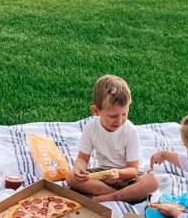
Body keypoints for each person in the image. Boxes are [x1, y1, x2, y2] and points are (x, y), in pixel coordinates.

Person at [66, 74, 158, 203]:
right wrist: (79, 167)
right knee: (71, 177)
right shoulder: (91, 128)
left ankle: (105, 198)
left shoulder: (130, 131)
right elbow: (82, 158)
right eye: (113, 116)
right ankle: (125, 196)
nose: (119, 121)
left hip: (128, 177)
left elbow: (133, 170)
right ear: (96, 111)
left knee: (151, 182)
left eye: (124, 114)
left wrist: (119, 174)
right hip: (103, 175)